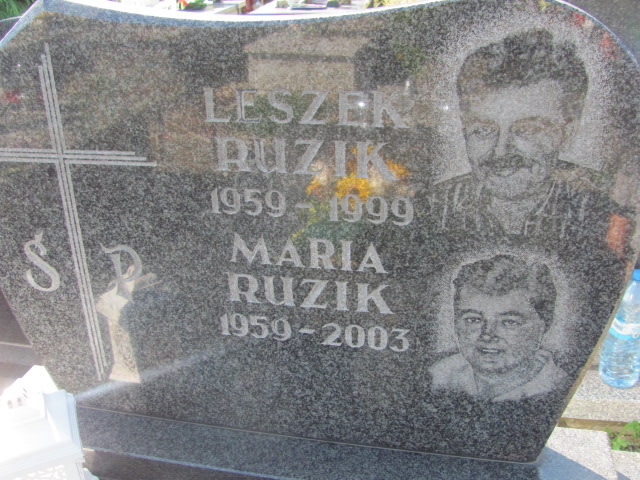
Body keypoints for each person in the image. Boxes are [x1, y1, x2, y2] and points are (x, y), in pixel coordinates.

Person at [426, 30, 627, 245]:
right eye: (483, 130)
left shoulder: (606, 212)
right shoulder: (431, 208)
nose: (501, 151)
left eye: (527, 130)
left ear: (567, 130)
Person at [428, 255, 570, 401]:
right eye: (474, 320)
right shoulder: (437, 377)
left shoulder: (560, 388)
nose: (487, 335)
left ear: (543, 326)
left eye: (509, 322)